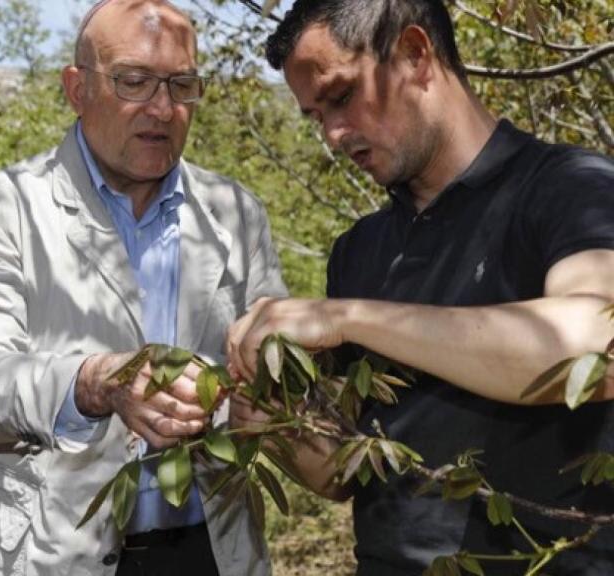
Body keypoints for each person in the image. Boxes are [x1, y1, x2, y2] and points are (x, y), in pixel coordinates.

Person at [225, 1, 614, 574]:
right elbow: (341, 473)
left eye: (340, 97)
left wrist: (348, 318)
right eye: (316, 116)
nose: (332, 135)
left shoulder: (570, 188)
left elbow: (593, 350)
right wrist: (265, 415)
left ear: (415, 54)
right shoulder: (359, 251)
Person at [0, 1, 287, 574]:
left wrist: (265, 390)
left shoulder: (237, 214)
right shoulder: (3, 208)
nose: (163, 108)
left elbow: (272, 372)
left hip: (209, 547)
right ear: (77, 89)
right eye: (134, 81)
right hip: (48, 554)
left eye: (182, 84)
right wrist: (94, 382)